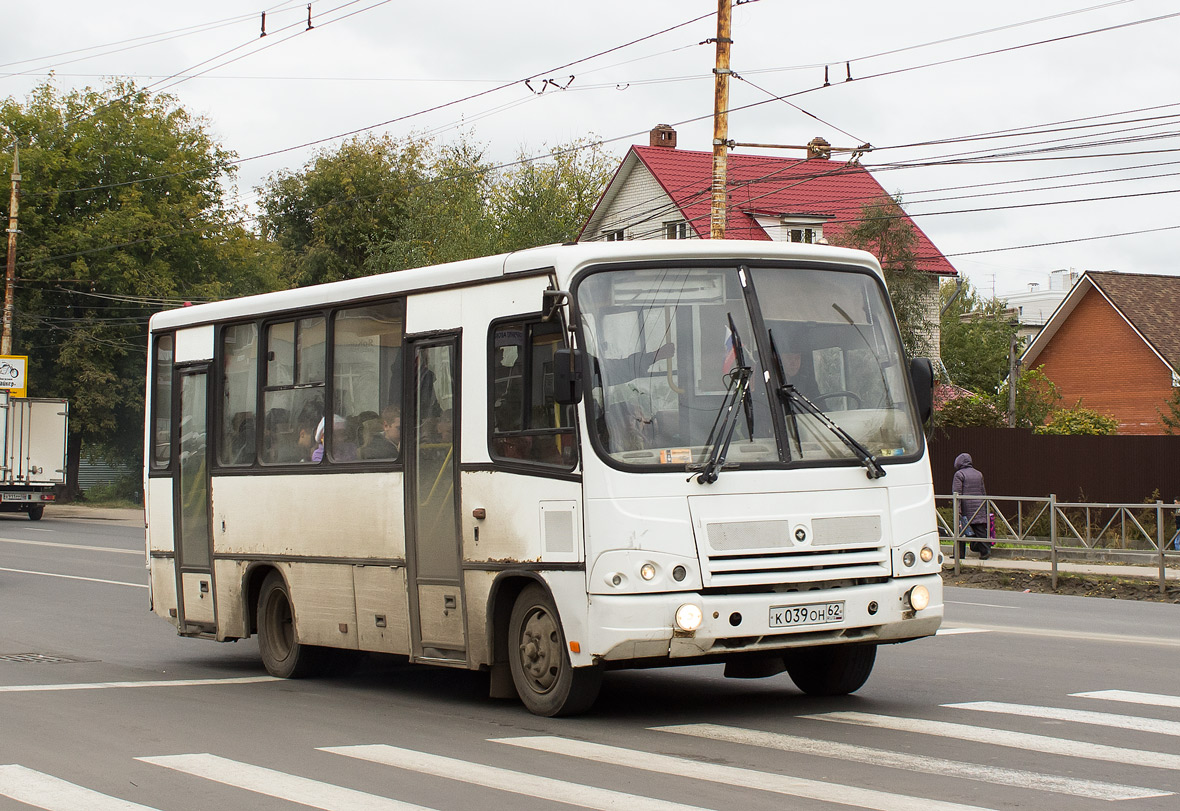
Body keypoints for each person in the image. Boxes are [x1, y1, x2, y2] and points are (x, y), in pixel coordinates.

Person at [952, 452, 990, 560]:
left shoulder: (959, 474)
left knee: (961, 531)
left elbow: (957, 493)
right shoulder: (979, 474)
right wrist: (985, 508)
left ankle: (959, 554)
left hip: (966, 508)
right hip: (979, 506)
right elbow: (983, 492)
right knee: (980, 530)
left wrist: (957, 509)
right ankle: (985, 551)